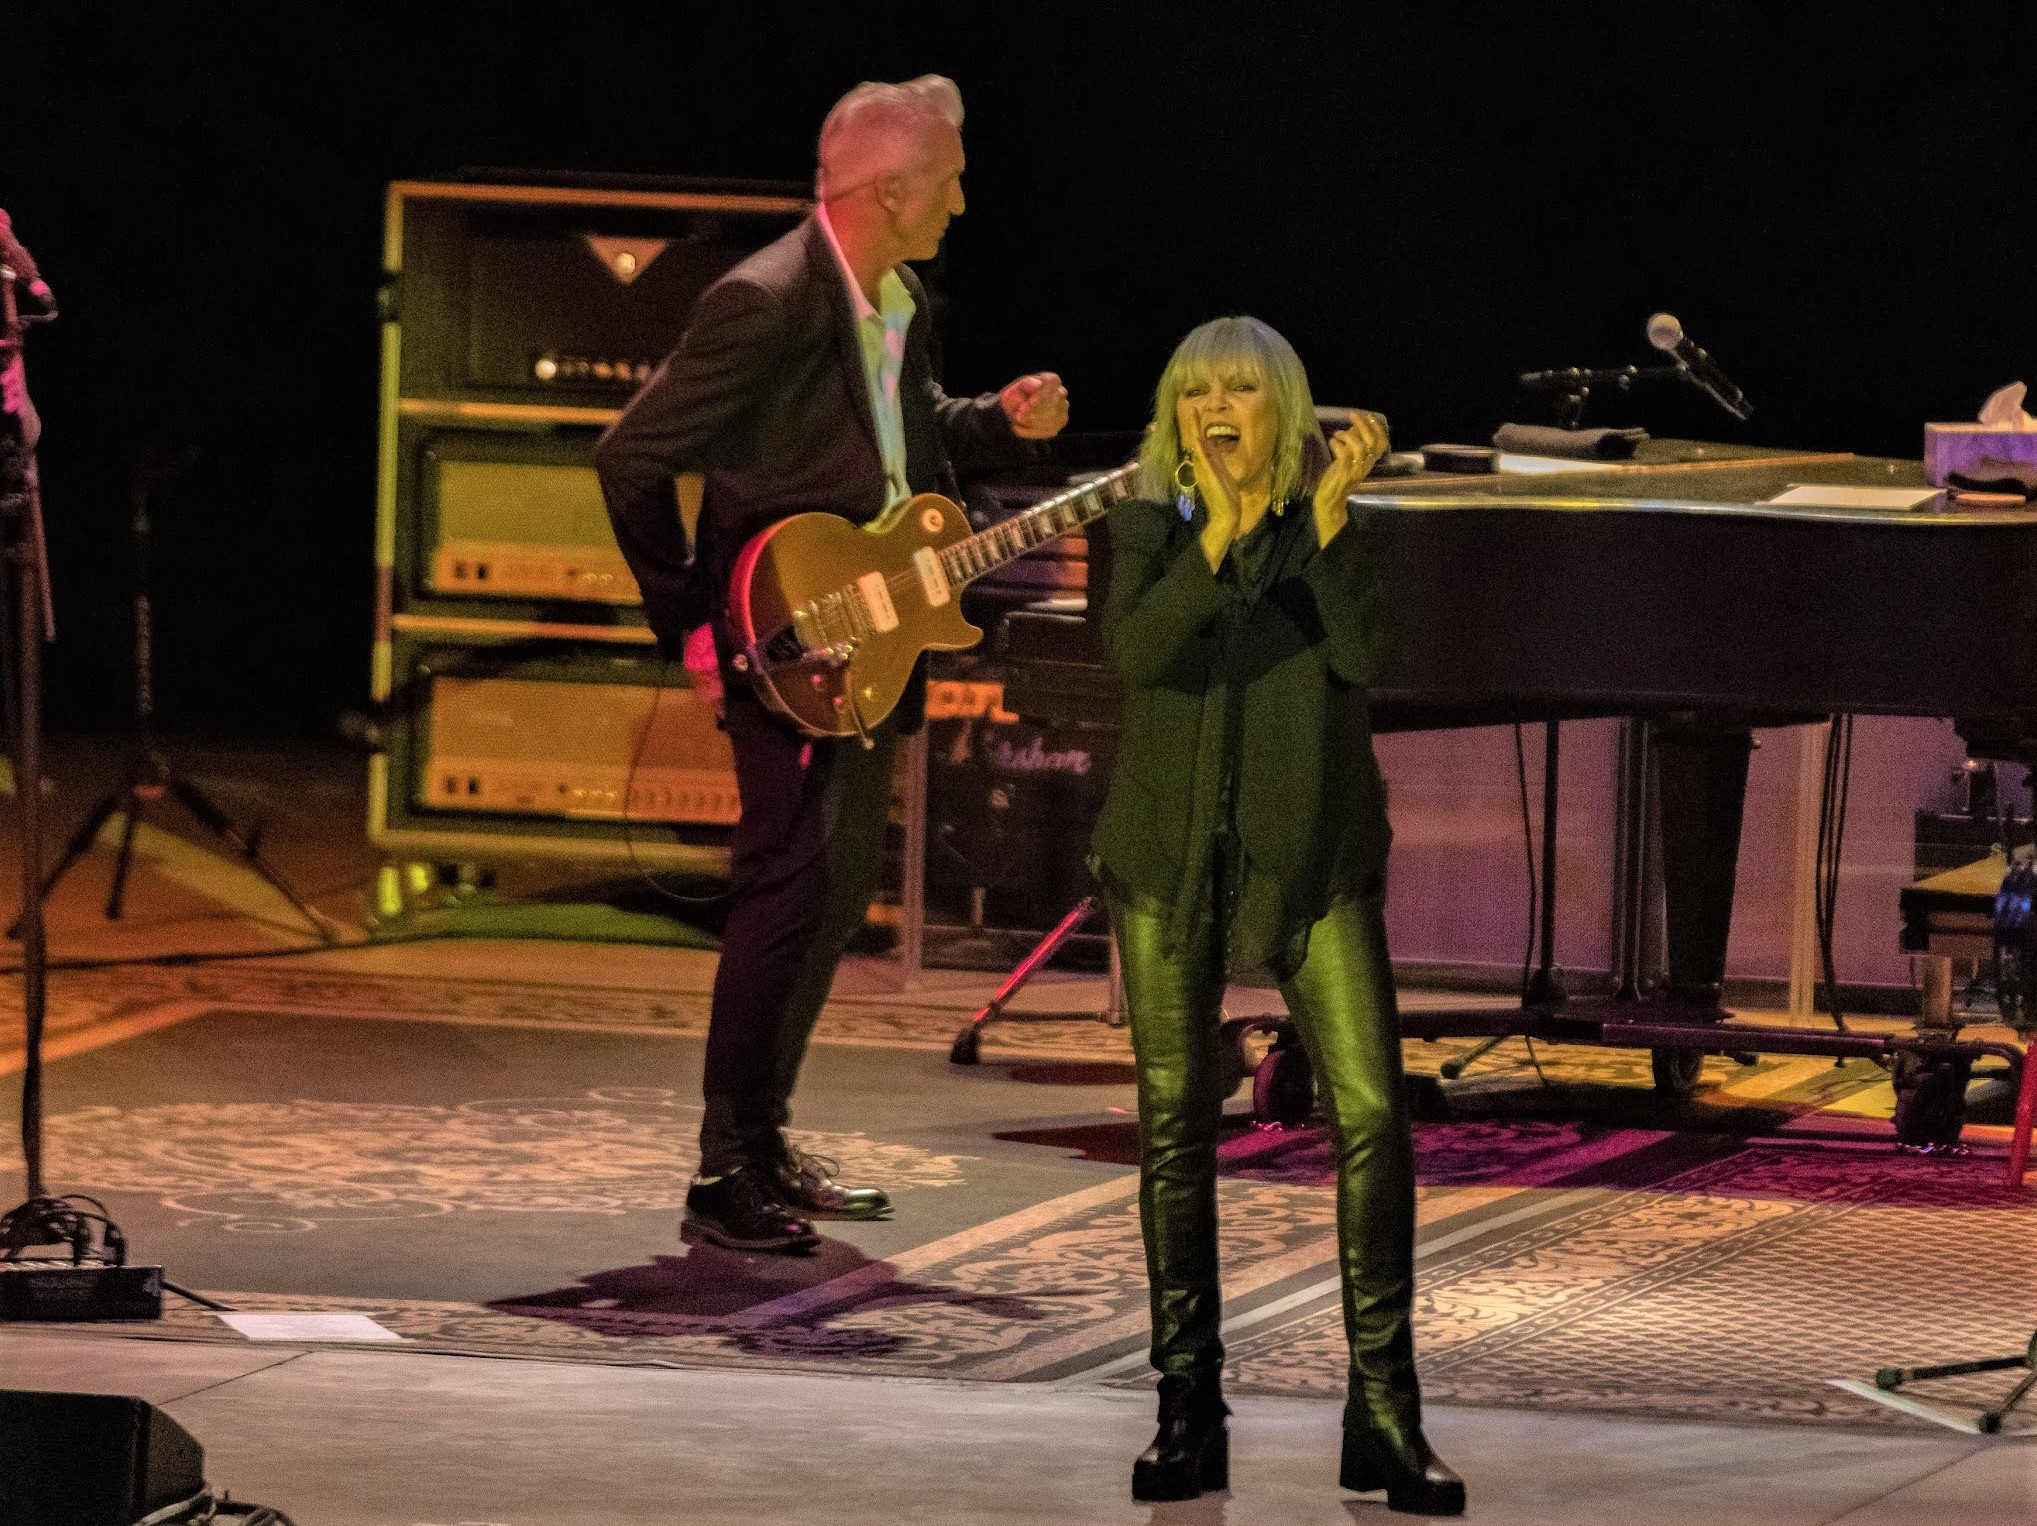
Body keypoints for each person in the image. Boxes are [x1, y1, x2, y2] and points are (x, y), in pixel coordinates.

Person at [596, 75, 1069, 1254]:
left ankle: (762, 1141)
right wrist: (694, 622)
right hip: (787, 640)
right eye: (949, 181)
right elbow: (631, 457)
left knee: (828, 894)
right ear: (893, 189)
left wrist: (994, 419)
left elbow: (903, 437)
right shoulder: (764, 302)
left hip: (873, 633)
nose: (961, 202)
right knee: (782, 890)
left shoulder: (897, 297)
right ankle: (724, 1168)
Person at [1091, 316, 1462, 1513]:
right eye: (1195, 390)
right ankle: (1187, 1408)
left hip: (1315, 861)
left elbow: (1366, 650)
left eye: (1240, 389)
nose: (1215, 408)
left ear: (1284, 412)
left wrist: (1329, 521)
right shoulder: (1148, 523)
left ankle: (1385, 1412)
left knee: (1373, 1115)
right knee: (1173, 1123)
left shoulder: (1327, 530)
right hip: (1166, 861)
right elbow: (1138, 651)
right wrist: (1218, 533)